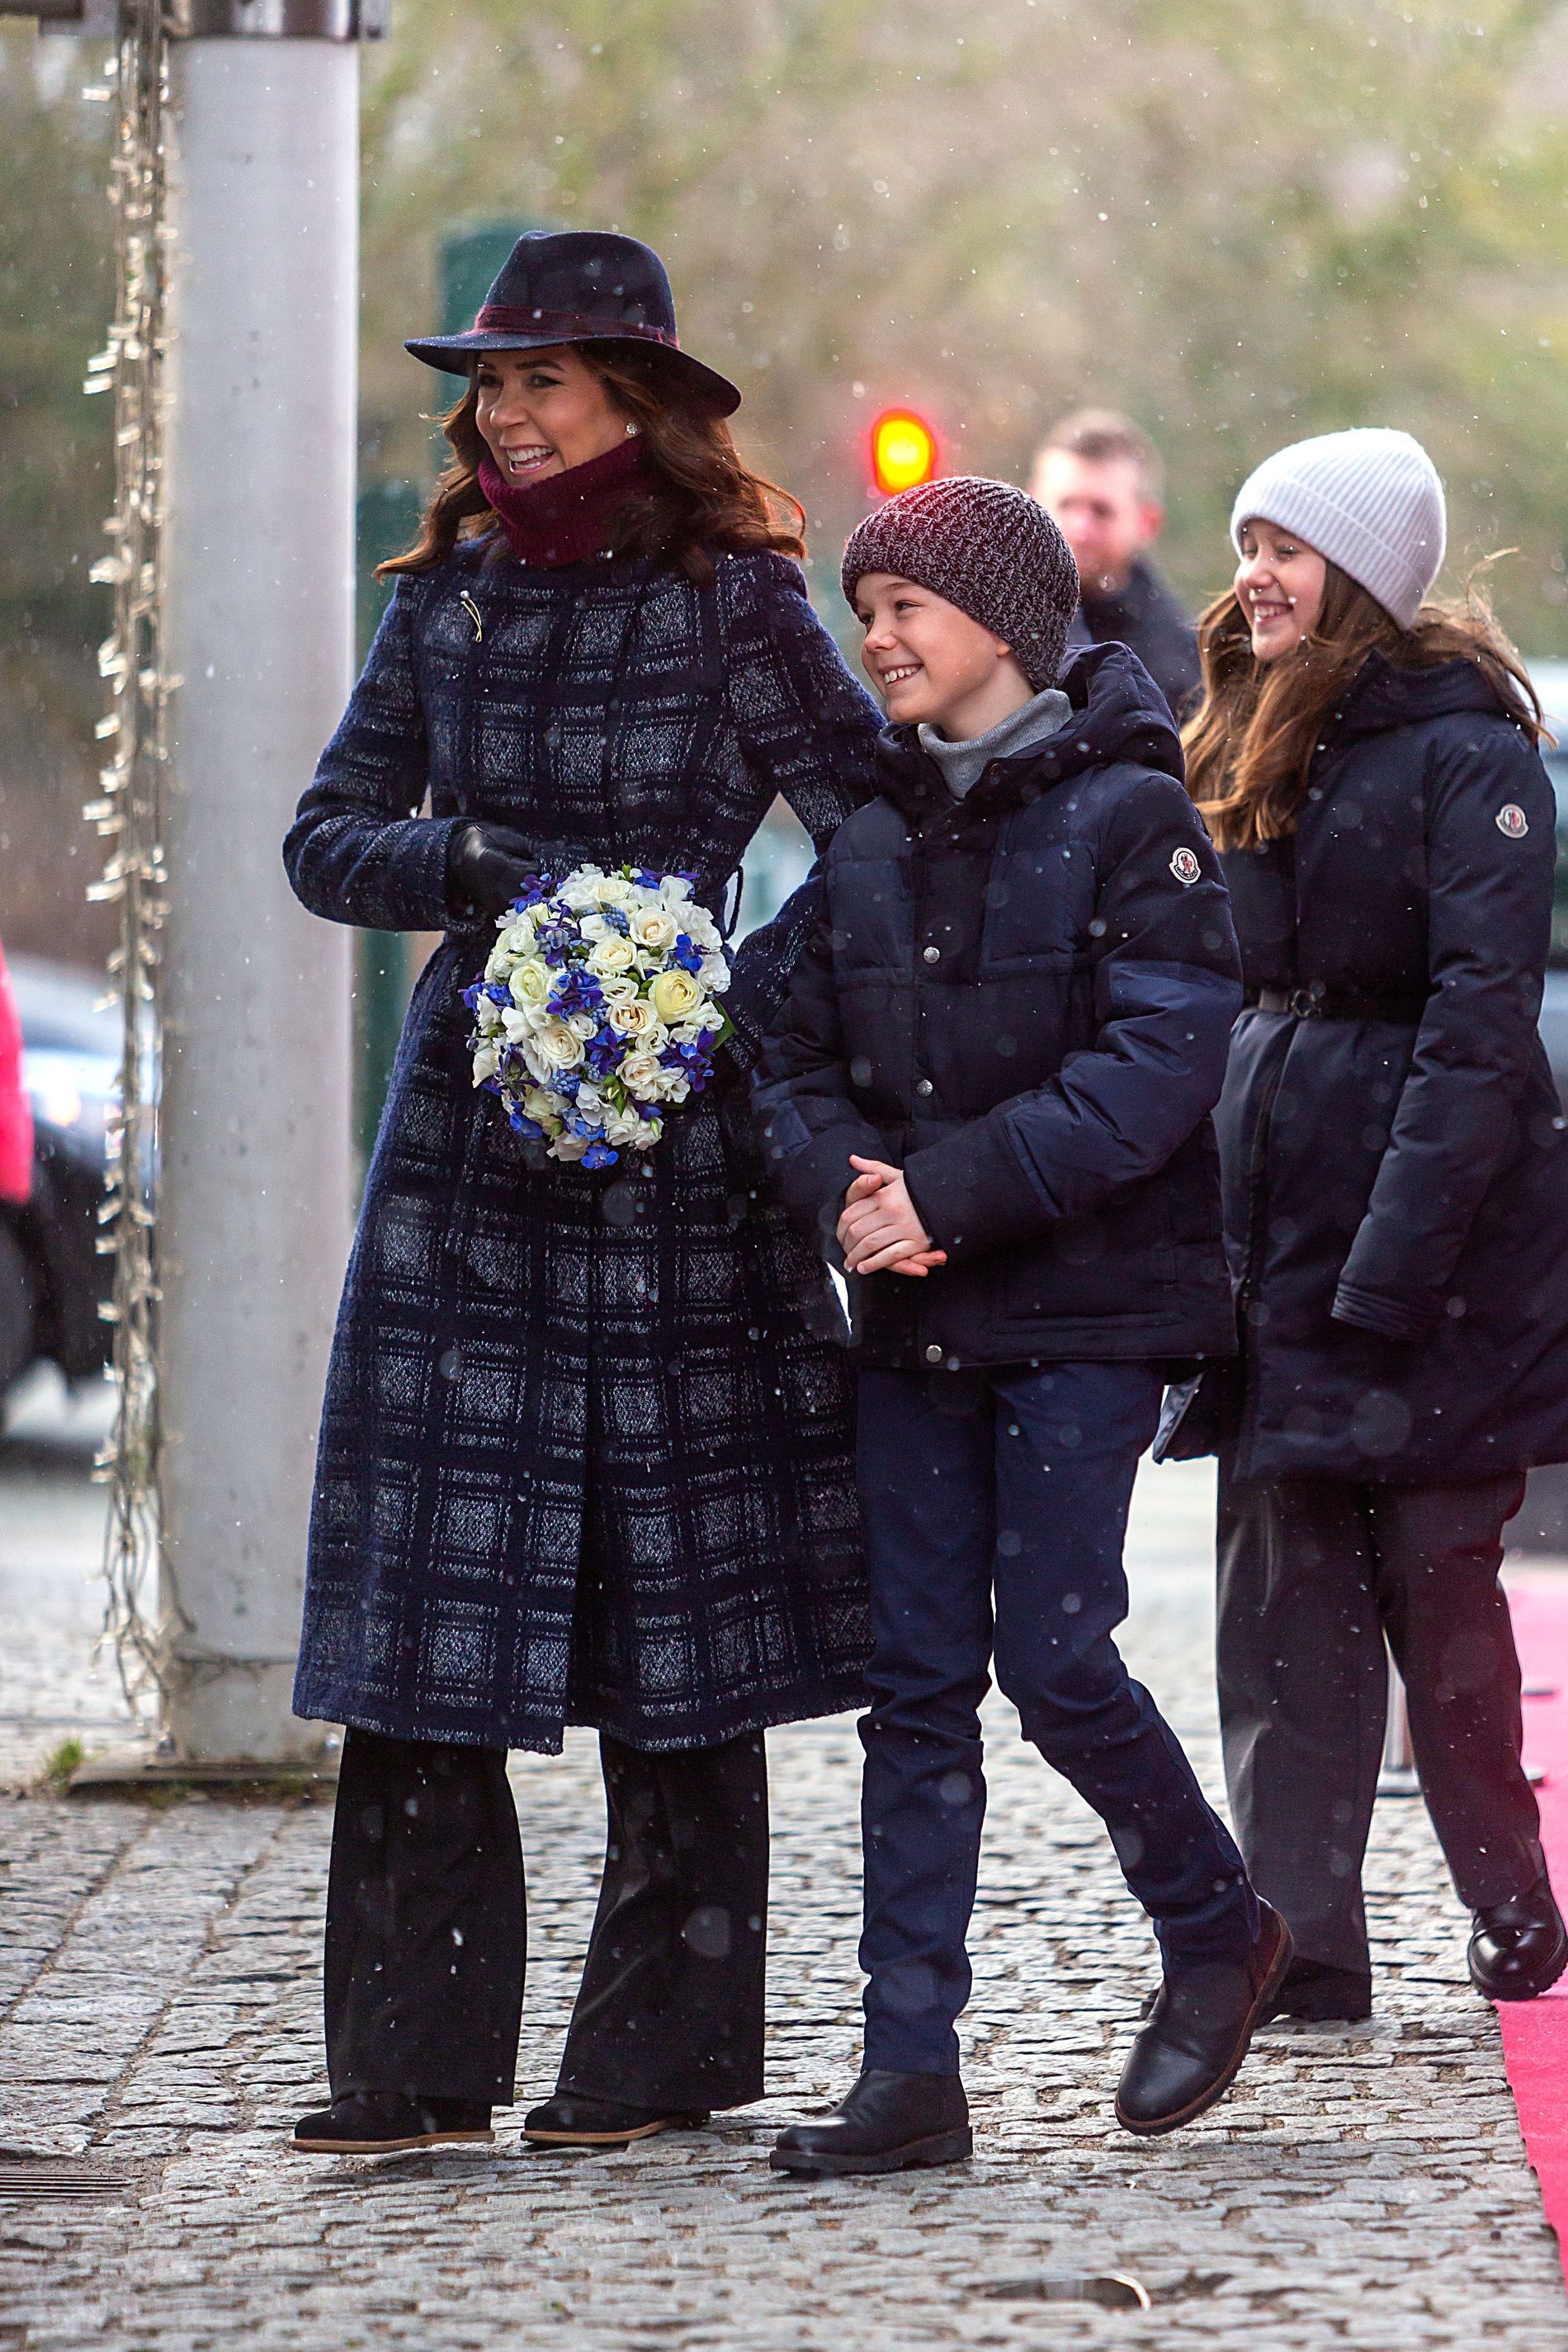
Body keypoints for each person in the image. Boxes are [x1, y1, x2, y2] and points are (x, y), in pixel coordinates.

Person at [281, 229, 884, 2157]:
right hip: (469, 1151)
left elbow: (868, 833)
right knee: (425, 1604)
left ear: (633, 399)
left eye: (539, 379)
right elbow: (323, 838)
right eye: (489, 383)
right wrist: (468, 868)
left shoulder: (741, 603)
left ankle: (657, 2053)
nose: (503, 412)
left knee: (673, 1601)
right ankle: (404, 2059)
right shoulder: (442, 604)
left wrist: (723, 984)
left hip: (683, 1156)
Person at [754, 476, 1287, 2179]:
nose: (876, 639)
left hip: (1087, 1311)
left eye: (904, 606)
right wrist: (837, 1185)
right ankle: (907, 2069)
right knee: (914, 1687)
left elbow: (1151, 1073)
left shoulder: (1136, 818)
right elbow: (773, 1047)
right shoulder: (862, 828)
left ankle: (1215, 1929)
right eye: (865, 609)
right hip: (914, 1319)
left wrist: (946, 1190)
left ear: (1002, 622)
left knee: (1051, 1656)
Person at [1176, 425, 1568, 2024]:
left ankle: (1508, 1898)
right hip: (1279, 1214)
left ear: (1361, 569)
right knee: (1280, 1605)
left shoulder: (1470, 753)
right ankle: (1298, 1941)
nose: (1249, 574)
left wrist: (1389, 1270)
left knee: (1433, 1590)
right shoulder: (1253, 723)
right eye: (1243, 541)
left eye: (1281, 546)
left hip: (1438, 1260)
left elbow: (1479, 1033)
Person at [1030, 408, 1201, 720]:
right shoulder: (984, 623)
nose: (1080, 529)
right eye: (1066, 504)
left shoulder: (1180, 661)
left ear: (1147, 523)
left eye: (1101, 510)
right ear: (1031, 502)